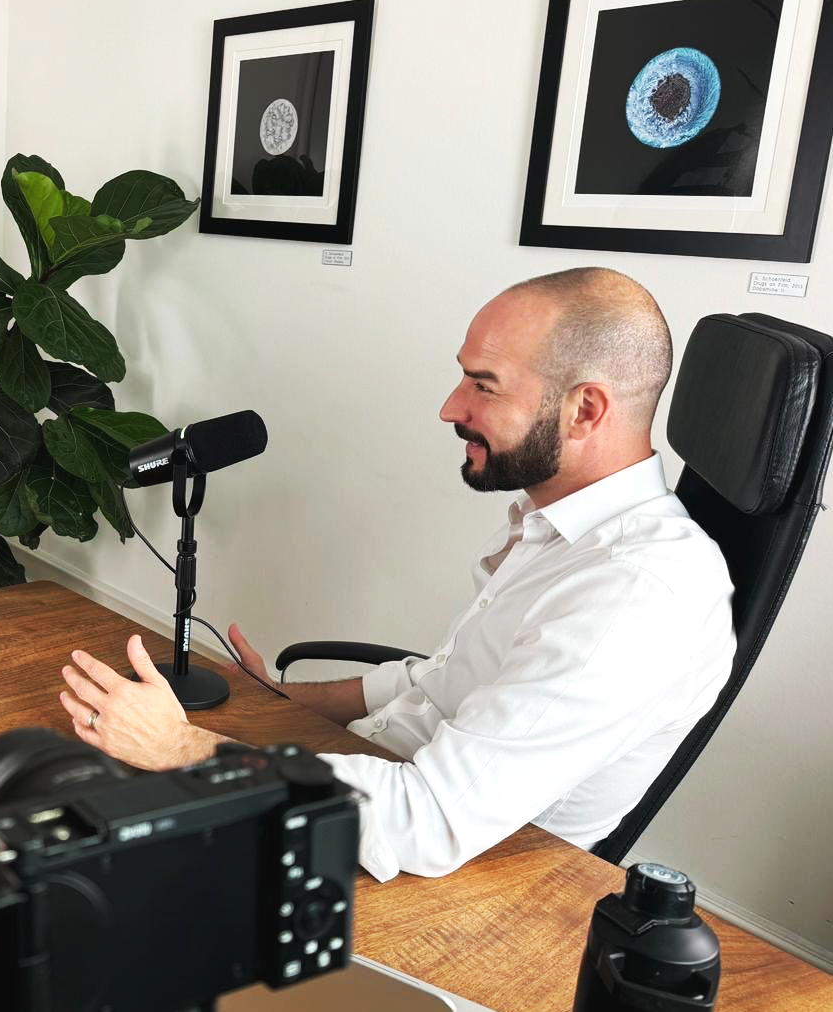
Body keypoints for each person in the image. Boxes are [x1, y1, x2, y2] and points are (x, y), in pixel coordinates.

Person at [56, 268, 734, 881]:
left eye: (482, 385)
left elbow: (427, 823)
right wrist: (283, 697)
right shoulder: (555, 524)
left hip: (432, 881)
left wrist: (180, 747)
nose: (450, 407)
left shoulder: (634, 595)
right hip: (367, 783)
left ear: (584, 410)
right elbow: (442, 681)